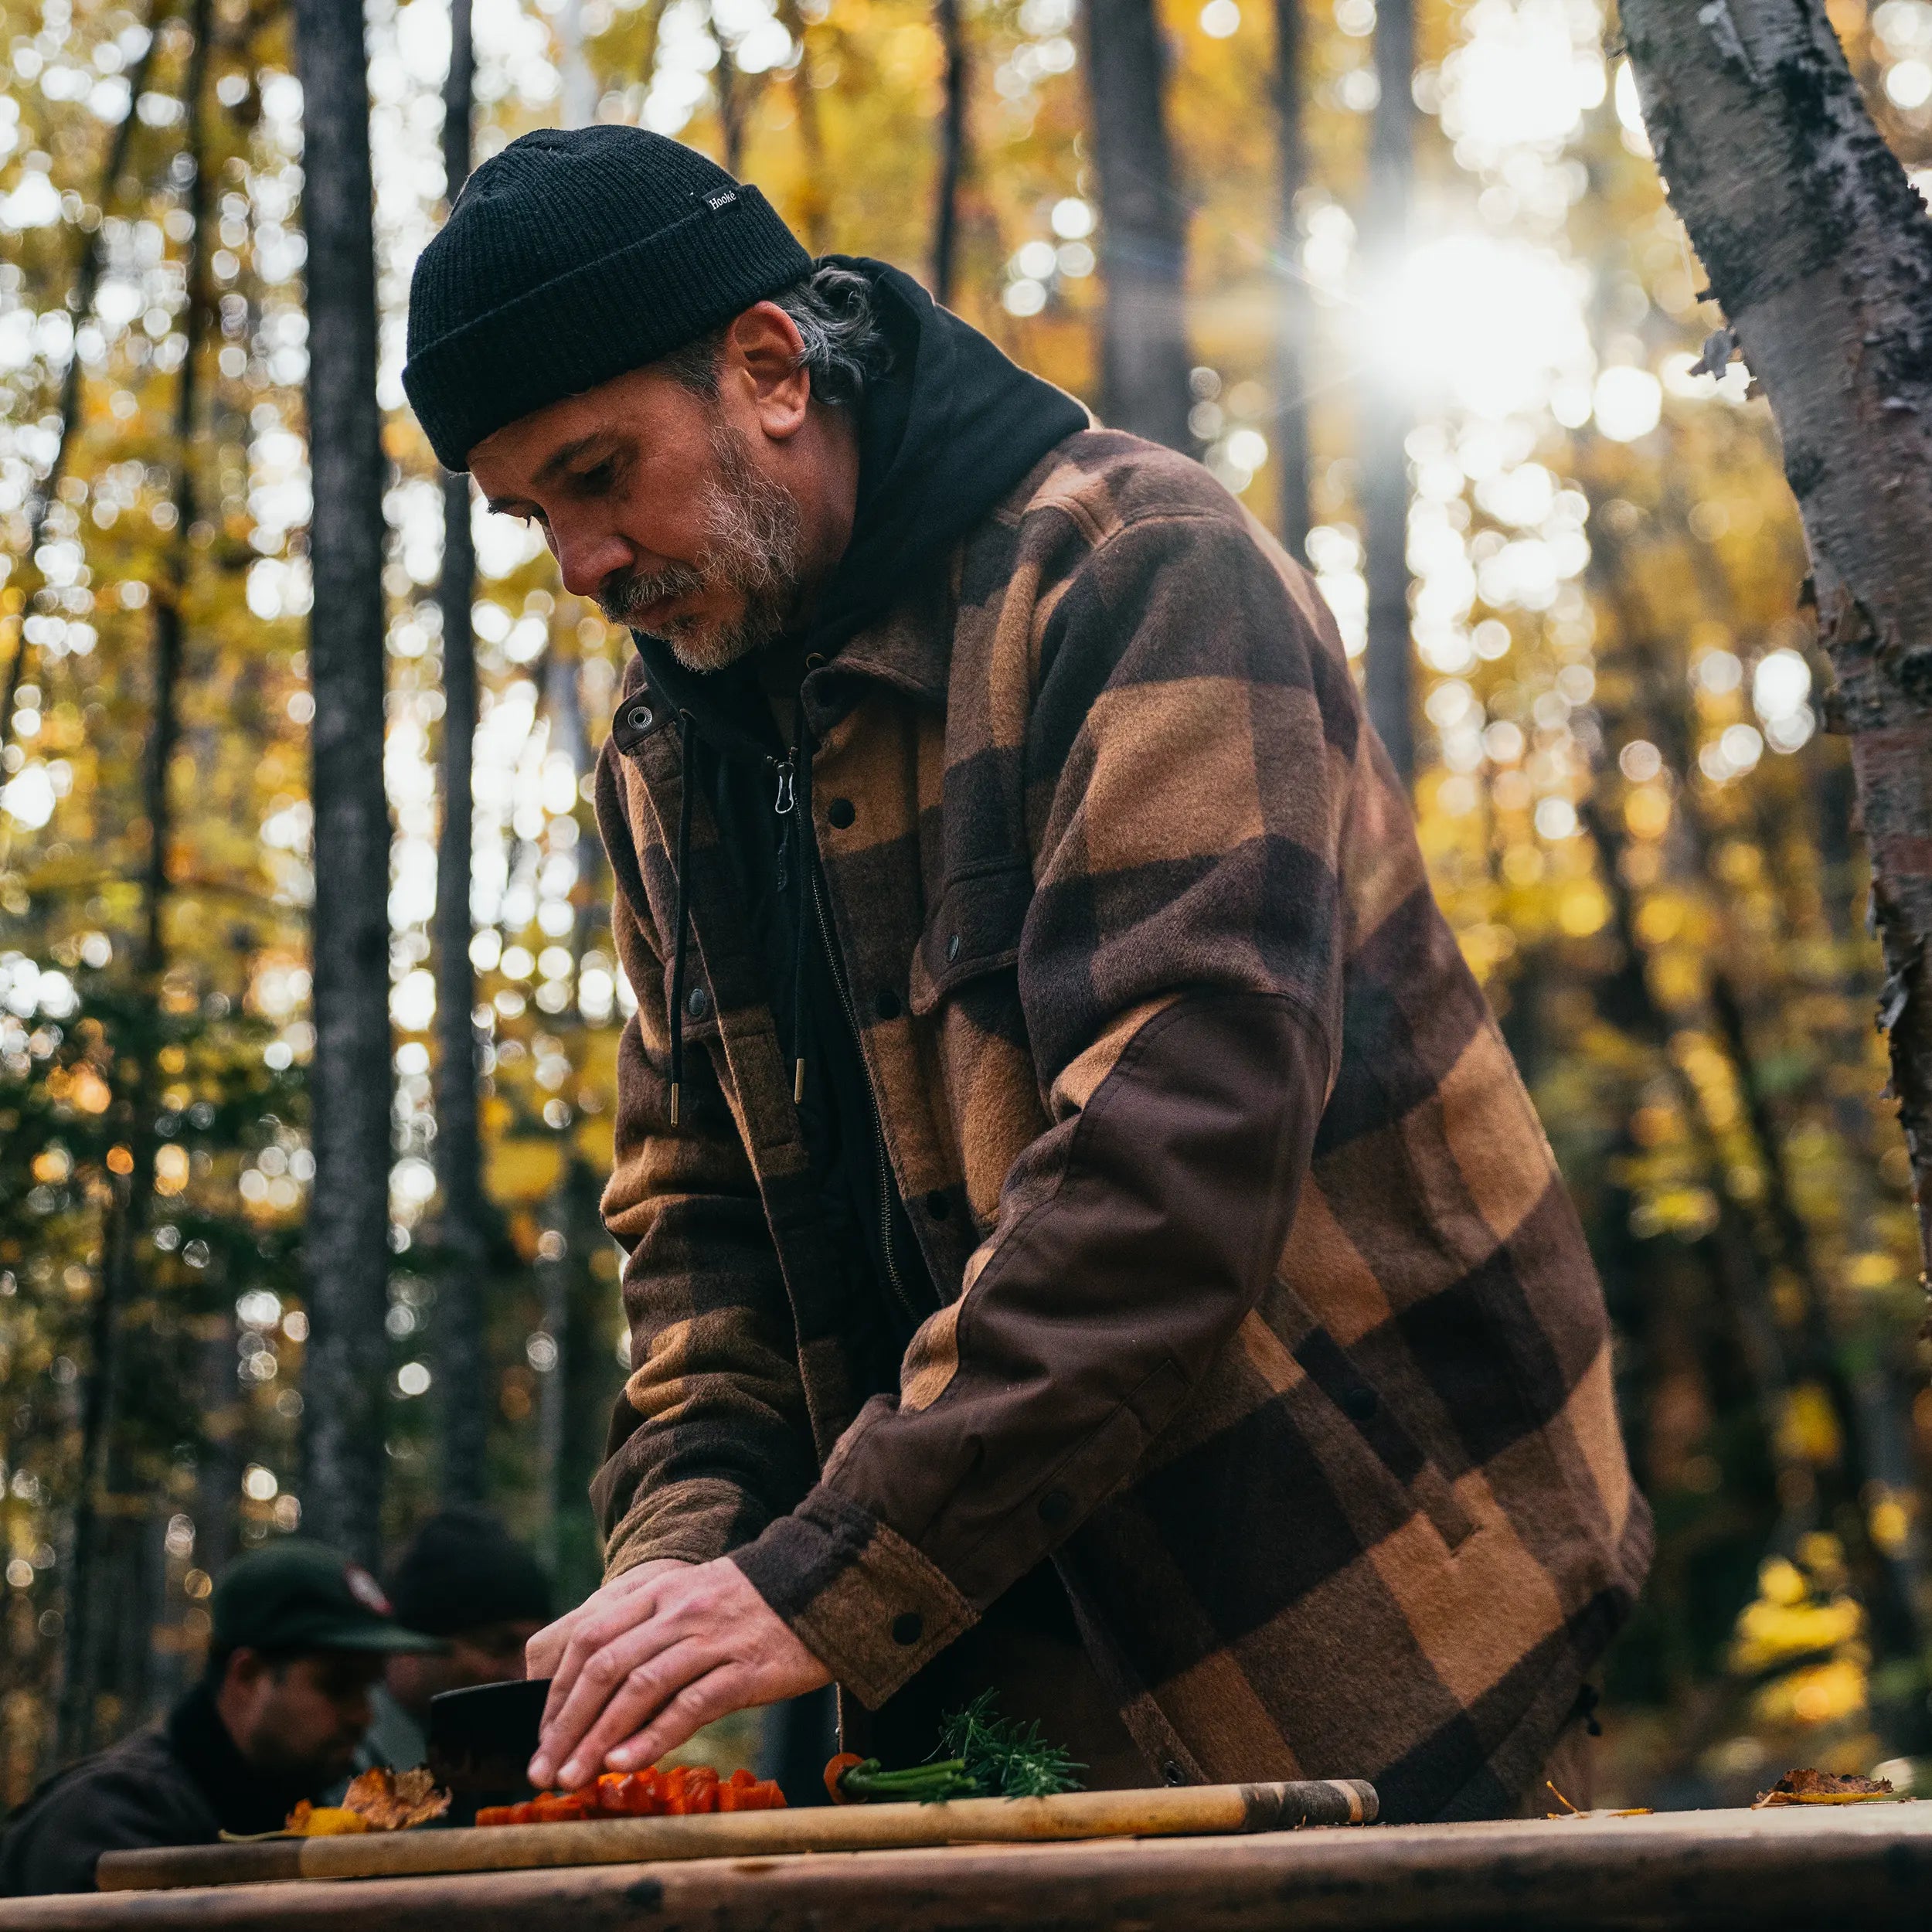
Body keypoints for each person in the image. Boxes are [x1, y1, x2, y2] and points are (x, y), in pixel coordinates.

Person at [403, 126, 1652, 1825]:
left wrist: (815, 1570)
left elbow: (1172, 1145)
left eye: (598, 470)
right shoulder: (663, 760)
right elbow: (696, 1234)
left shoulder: (1132, 570)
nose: (580, 561)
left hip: (1363, 1602)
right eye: (531, 511)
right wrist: (680, 1568)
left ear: (769, 368)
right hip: (988, 1669)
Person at [0, 1540, 439, 1895]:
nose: (362, 1716)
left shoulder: (291, 1809)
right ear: (247, 1676)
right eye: (338, 1687)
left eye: (368, 1688)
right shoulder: (110, 1823)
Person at [355, 1506, 552, 1777]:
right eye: (499, 1647)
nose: (523, 1673)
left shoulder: (507, 1750)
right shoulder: (339, 1762)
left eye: (533, 1649)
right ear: (413, 1646)